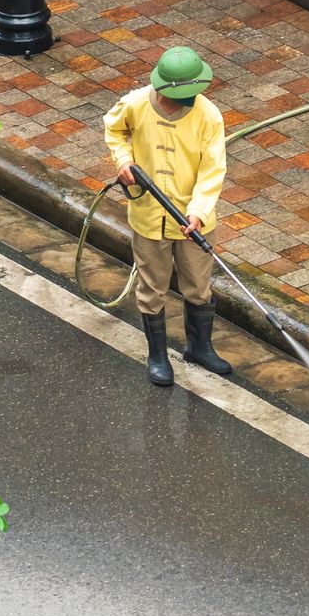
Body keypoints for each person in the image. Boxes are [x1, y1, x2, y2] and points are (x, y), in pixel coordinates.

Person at [103, 46, 235, 387]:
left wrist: (199, 212)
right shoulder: (134, 104)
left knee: (198, 285)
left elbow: (213, 170)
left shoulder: (209, 116)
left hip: (193, 222)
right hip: (148, 217)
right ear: (164, 88)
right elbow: (114, 129)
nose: (191, 99)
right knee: (152, 287)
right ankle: (158, 355)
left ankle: (200, 347)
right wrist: (123, 161)